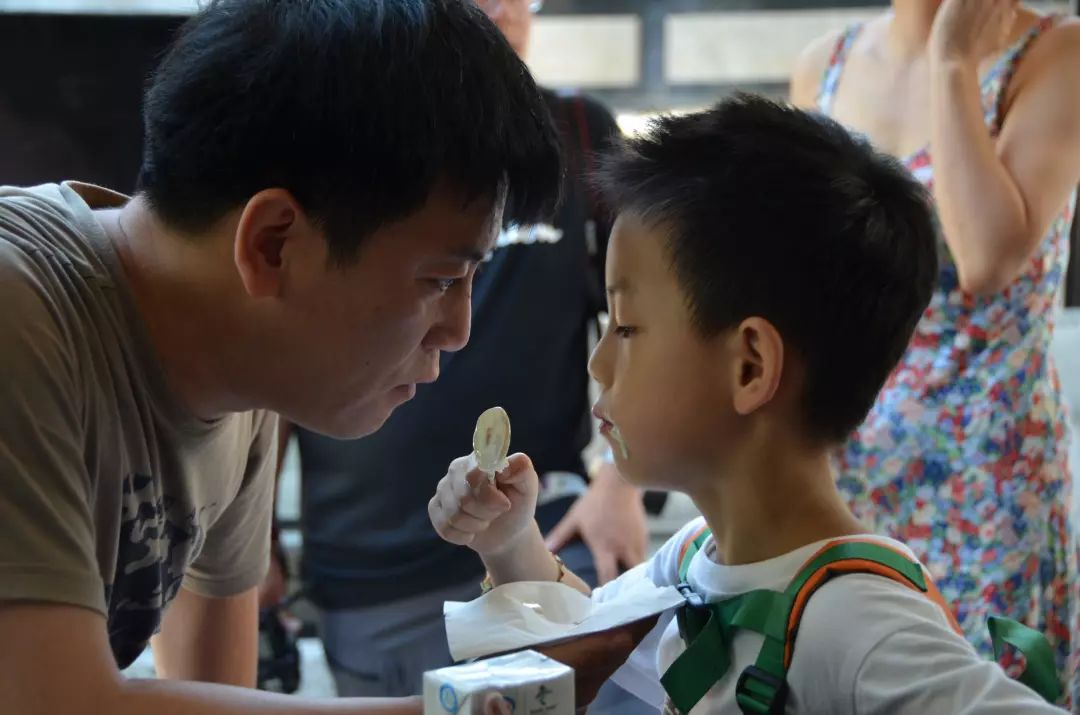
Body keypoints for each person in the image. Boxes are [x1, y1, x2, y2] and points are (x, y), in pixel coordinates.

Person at [0, 0, 566, 713]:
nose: (456, 330)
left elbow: (216, 688)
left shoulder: (239, 372)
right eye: (443, 280)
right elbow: (51, 703)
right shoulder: (18, 311)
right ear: (272, 242)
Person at [428, 94, 1065, 713]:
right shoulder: (698, 557)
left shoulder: (860, 626)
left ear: (751, 366)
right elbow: (592, 641)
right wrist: (511, 542)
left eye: (625, 327)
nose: (599, 364)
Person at [274, 0, 651, 705]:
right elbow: (279, 345)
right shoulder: (339, 136)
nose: (504, 7)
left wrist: (622, 481)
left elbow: (648, 320)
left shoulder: (578, 133)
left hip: (541, 539)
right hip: (366, 571)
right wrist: (252, 537)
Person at [790, 0, 1080, 695]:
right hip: (840, 475)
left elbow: (986, 258)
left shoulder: (1055, 52)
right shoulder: (822, 67)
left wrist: (953, 65)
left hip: (990, 485)